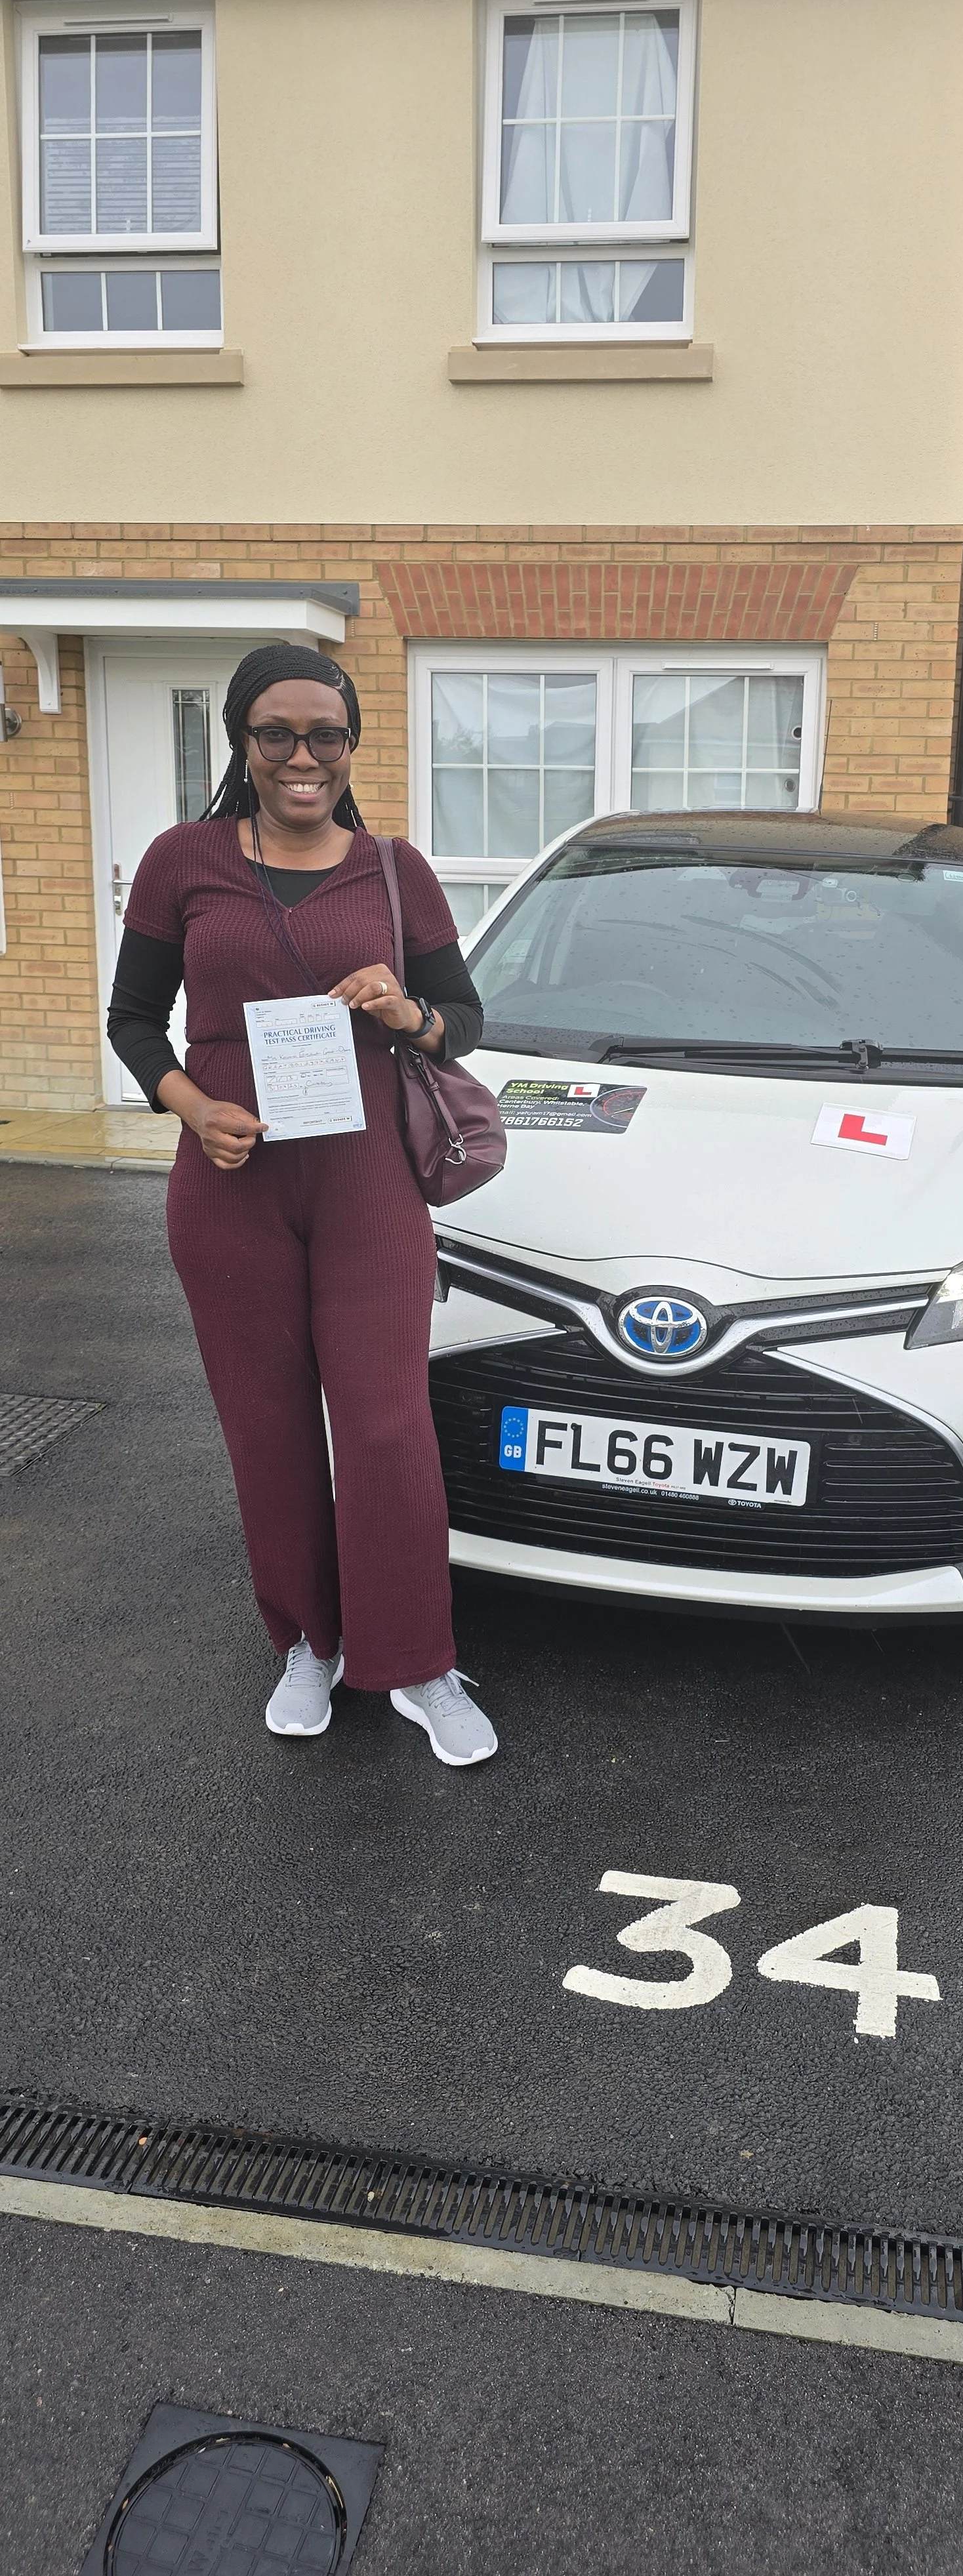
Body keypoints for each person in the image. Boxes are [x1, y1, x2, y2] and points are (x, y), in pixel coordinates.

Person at [106, 641, 498, 1766]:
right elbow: (134, 1019)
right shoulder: (183, 860)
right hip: (231, 1180)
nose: (301, 757)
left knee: (383, 1422)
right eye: (275, 733)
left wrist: (405, 1011)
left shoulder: (391, 870)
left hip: (368, 1173)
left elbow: (462, 1019)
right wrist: (188, 1103)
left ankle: (417, 1659)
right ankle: (307, 1643)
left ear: (350, 744)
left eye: (325, 734)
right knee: (267, 1426)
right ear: (242, 741)